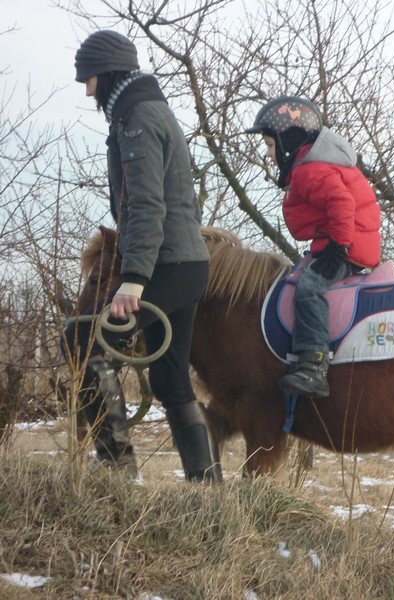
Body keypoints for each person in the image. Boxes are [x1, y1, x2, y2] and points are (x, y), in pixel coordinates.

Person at [63, 30, 221, 482]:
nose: (87, 90)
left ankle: (116, 474)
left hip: (164, 267)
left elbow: (146, 203)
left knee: (81, 340)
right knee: (171, 382)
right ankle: (208, 495)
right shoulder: (144, 110)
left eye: (89, 79)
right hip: (183, 264)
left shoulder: (136, 116)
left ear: (108, 73)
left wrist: (132, 277)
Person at [245, 96, 381, 398]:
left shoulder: (311, 169)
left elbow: (342, 203)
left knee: (309, 287)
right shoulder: (315, 165)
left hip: (346, 246)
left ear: (288, 141)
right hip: (340, 241)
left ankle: (314, 365)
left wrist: (338, 248)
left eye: (270, 145)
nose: (269, 154)